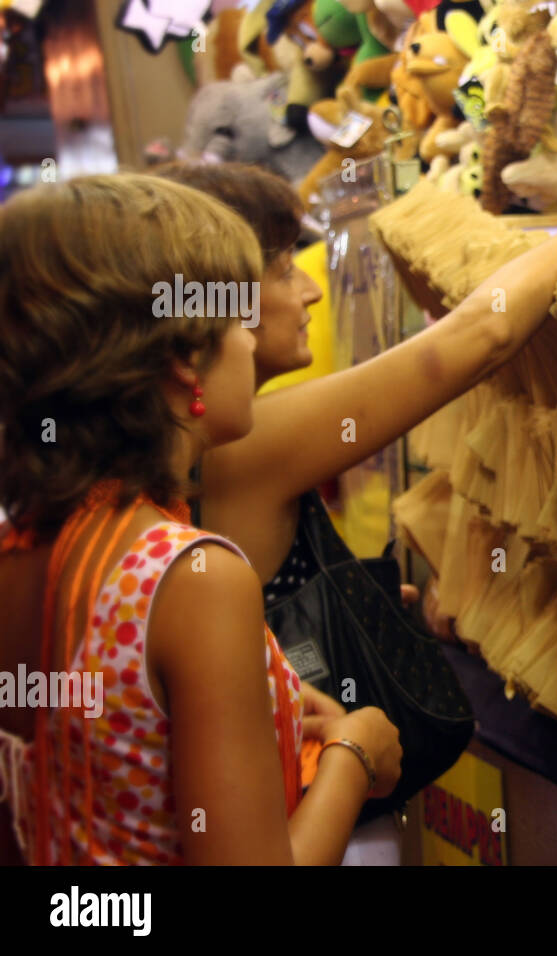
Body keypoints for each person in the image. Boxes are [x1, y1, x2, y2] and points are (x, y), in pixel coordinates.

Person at [0, 174, 402, 865]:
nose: (251, 343)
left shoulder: (21, 552)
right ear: (186, 361)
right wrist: (356, 752)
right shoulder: (192, 578)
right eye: (240, 323)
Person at [149, 162, 557, 612]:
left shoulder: (208, 445)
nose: (309, 291)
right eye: (285, 271)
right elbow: (481, 334)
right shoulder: (240, 448)